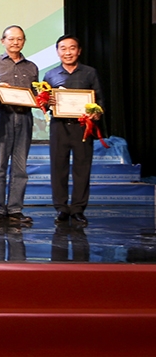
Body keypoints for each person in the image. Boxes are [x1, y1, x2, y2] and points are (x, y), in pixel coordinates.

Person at [44, 35, 104, 226]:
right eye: (63, 48)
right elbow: (44, 103)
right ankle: (61, 208)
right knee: (58, 168)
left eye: (72, 48)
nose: (67, 52)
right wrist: (47, 102)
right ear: (57, 51)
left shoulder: (89, 73)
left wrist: (96, 113)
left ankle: (78, 209)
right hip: (59, 127)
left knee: (82, 169)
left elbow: (100, 100)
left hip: (83, 127)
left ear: (79, 51)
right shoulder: (50, 75)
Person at [0, 25, 39, 227]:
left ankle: (15, 209)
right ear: (3, 41)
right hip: (2, 116)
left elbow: (35, 94)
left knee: (20, 167)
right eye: (11, 39)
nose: (15, 42)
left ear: (24, 41)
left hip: (24, 118)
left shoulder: (32, 67)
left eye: (19, 39)